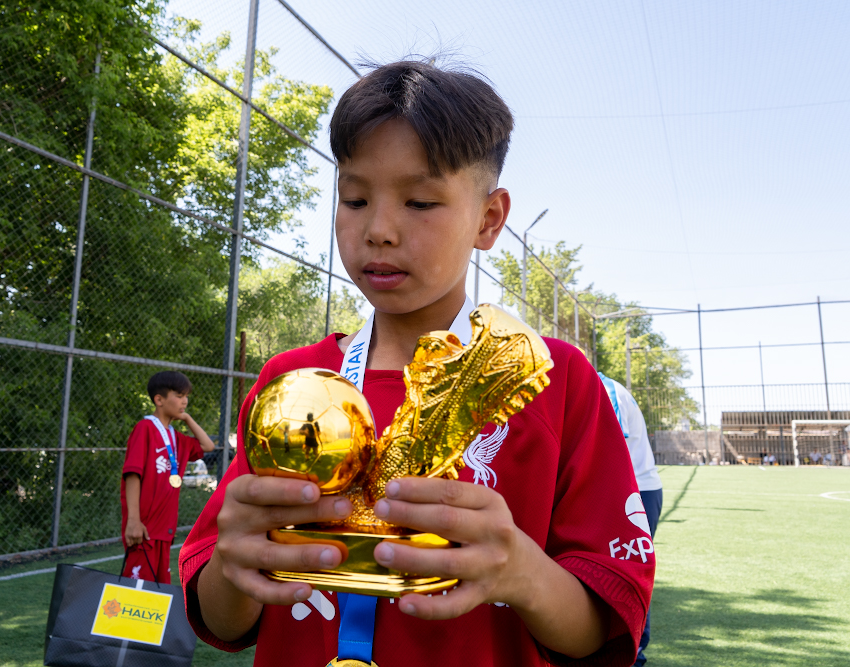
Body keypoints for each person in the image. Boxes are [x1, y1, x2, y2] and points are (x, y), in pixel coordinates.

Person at [180, 60, 654, 666]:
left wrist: (519, 571)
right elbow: (219, 617)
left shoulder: (553, 380)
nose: (378, 229)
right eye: (354, 198)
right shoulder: (294, 383)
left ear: (489, 218)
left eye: (421, 202)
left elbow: (605, 629)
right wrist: (234, 560)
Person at [121, 370, 215, 583]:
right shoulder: (144, 428)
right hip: (143, 528)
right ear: (159, 399)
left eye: (186, 397)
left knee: (158, 595)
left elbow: (207, 446)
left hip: (164, 528)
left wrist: (187, 419)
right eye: (179, 396)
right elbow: (133, 475)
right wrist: (133, 520)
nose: (185, 401)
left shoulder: (177, 438)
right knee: (136, 594)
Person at [598, 372, 662, 667]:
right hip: (623, 488)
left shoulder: (606, 388)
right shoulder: (596, 385)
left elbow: (612, 446)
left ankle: (634, 654)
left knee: (628, 573)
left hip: (634, 490)